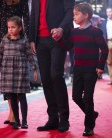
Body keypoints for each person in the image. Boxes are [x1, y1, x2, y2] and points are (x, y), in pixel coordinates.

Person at [29, 0, 75, 132]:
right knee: (46, 79)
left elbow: (70, 11)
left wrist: (61, 28)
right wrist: (32, 38)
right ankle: (53, 118)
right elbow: (33, 14)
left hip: (57, 38)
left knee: (56, 75)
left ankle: (64, 119)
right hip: (40, 40)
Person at [0, 16, 38, 129]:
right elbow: (0, 55)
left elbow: (29, 56)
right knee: (12, 97)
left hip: (20, 71)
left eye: (13, 27)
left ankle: (25, 121)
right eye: (8, 27)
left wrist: (34, 69)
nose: (10, 29)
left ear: (20, 28)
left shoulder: (24, 41)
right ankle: (17, 121)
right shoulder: (4, 40)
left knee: (22, 96)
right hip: (7, 71)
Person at [71, 3, 108, 136]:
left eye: (76, 14)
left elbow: (104, 49)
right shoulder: (74, 32)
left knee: (87, 98)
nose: (74, 17)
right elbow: (67, 46)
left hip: (90, 70)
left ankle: (89, 127)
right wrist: (58, 38)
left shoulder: (95, 31)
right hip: (78, 69)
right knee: (75, 97)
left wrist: (100, 65)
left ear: (86, 15)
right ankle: (92, 114)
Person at [101, 7, 112, 85]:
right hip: (107, 42)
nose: (109, 13)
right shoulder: (104, 22)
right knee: (109, 62)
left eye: (110, 12)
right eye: (107, 12)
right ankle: (111, 79)